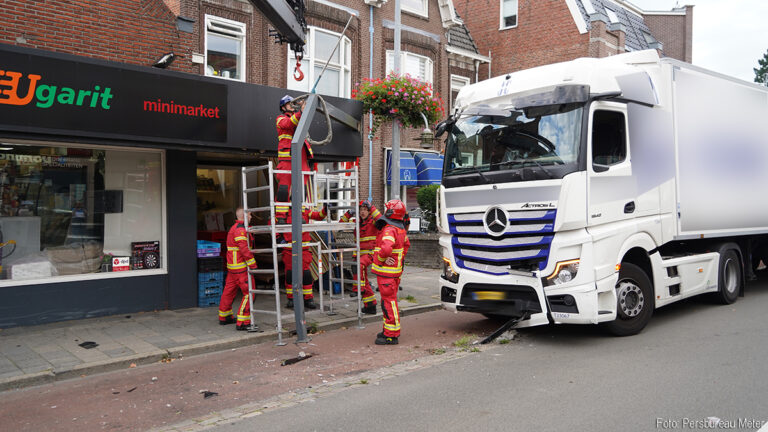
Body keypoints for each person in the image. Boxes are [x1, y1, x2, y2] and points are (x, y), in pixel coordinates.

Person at [370, 199, 410, 345]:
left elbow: (386, 249)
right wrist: (397, 258)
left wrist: (381, 259)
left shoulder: (389, 229)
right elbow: (406, 245)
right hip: (394, 273)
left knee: (388, 303)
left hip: (386, 273)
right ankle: (388, 330)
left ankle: (391, 335)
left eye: (386, 208)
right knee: (389, 302)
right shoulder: (400, 228)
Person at [279, 205, 327, 310]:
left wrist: (325, 209)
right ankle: (291, 298)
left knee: (306, 274)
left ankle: (308, 299)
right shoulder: (283, 209)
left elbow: (318, 216)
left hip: (303, 249)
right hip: (289, 249)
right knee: (290, 274)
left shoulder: (304, 209)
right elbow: (275, 223)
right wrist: (279, 237)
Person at [275, 95, 315, 219]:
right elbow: (289, 123)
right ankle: (281, 216)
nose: (292, 105)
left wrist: (304, 109)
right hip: (288, 157)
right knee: (284, 188)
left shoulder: (298, 117)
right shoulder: (280, 119)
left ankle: (300, 215)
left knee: (301, 188)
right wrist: (300, 112)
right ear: (283, 107)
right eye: (289, 103)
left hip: (301, 156)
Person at [219, 208, 258, 331]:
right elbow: (244, 249)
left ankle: (224, 316)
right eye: (250, 215)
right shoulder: (240, 230)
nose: (251, 217)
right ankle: (242, 322)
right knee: (249, 293)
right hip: (240, 267)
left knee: (229, 291)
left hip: (232, 267)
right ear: (244, 216)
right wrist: (253, 264)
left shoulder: (234, 227)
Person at [340, 199, 382, 314]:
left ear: (369, 211)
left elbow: (382, 220)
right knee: (364, 279)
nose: (362, 212)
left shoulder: (374, 221)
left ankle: (358, 289)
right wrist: (349, 213)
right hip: (359, 253)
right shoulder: (357, 221)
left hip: (370, 252)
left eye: (365, 210)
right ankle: (370, 306)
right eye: (361, 210)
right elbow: (341, 224)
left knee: (359, 266)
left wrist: (372, 207)